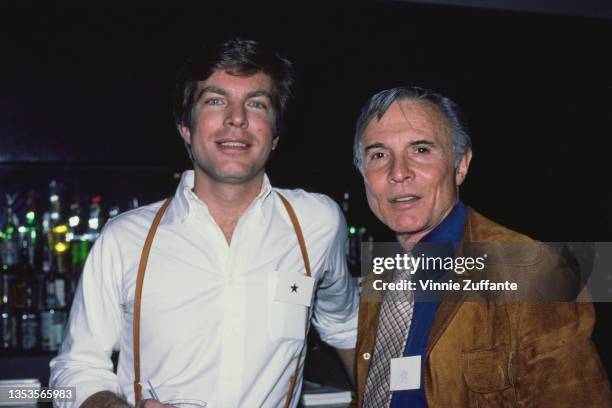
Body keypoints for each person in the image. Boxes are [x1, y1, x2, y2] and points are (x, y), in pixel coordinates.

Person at [50, 38, 359, 408]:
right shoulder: (124, 239)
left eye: (257, 103)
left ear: (275, 135)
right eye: (215, 100)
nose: (237, 118)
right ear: (185, 126)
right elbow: (74, 370)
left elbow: (344, 324)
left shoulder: (318, 223)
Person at [351, 86, 612, 407]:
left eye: (420, 150)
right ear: (363, 175)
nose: (399, 172)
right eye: (378, 155)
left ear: (461, 165)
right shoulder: (378, 277)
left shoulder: (535, 274)